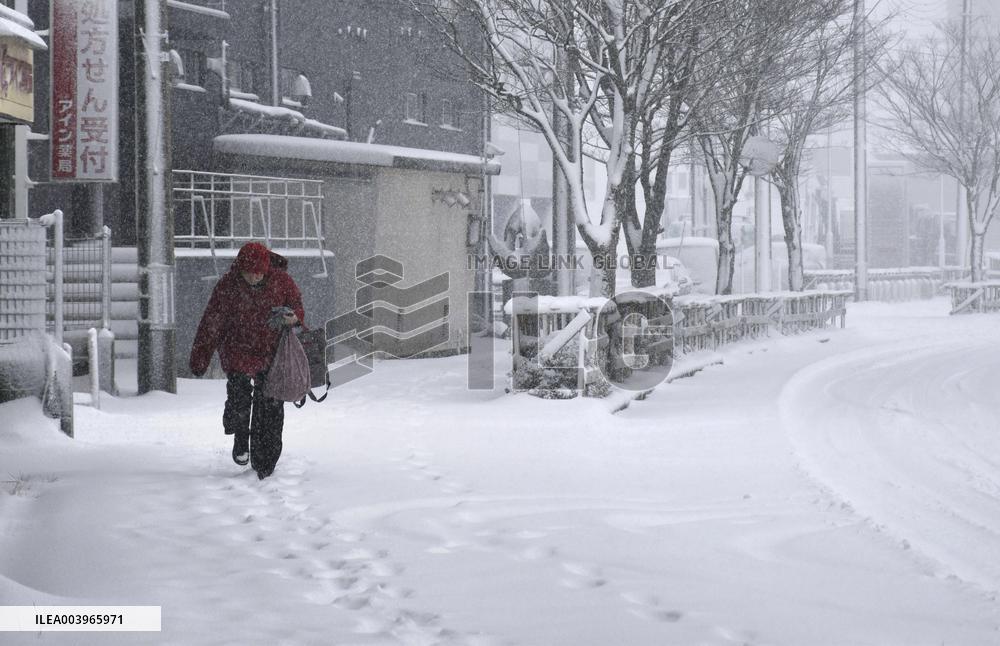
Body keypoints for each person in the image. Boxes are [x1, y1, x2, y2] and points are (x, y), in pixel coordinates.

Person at [189, 242, 305, 480]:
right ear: (239, 269)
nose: (254, 277)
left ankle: (265, 460)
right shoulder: (227, 286)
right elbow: (211, 324)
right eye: (248, 272)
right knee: (239, 399)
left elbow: (298, 309)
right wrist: (200, 358)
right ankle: (241, 438)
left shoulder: (282, 282)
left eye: (259, 272)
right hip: (237, 350)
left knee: (270, 407)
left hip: (271, 354)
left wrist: (293, 318)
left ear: (266, 269)